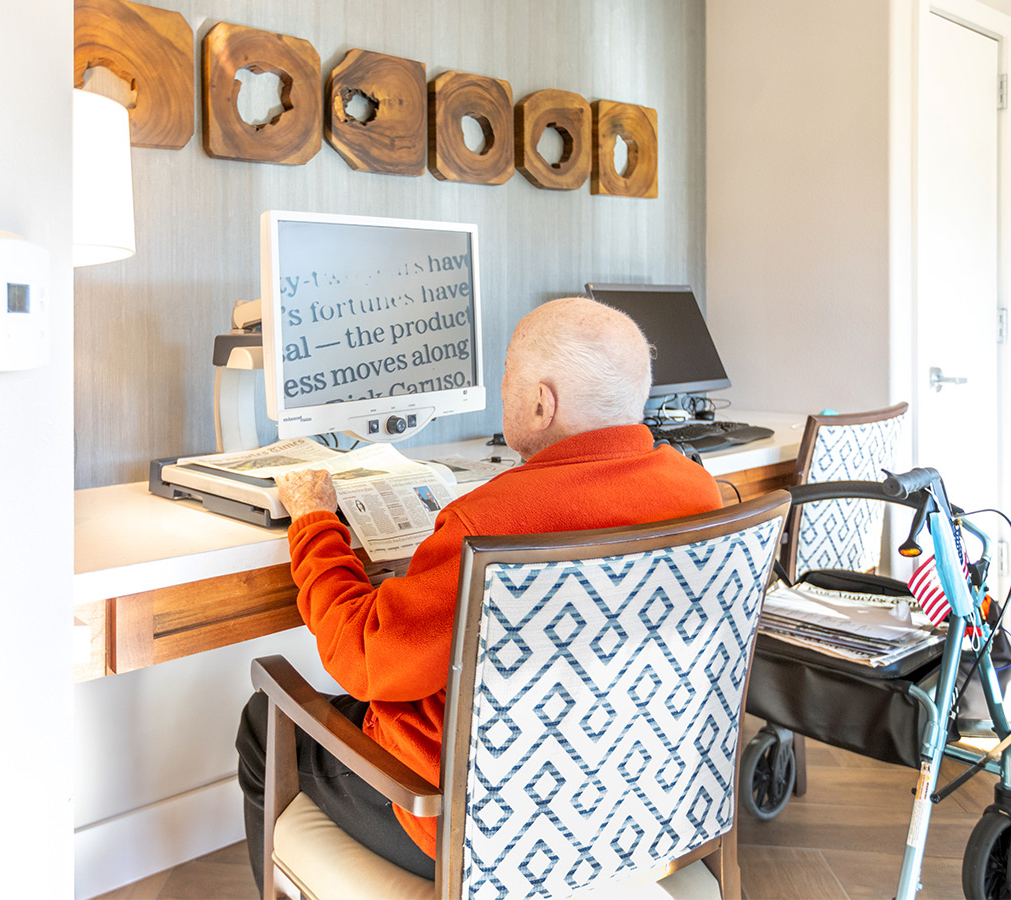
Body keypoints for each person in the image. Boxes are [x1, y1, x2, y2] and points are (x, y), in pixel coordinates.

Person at [235, 297, 724, 890]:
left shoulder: (488, 524)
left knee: (266, 718)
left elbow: (363, 662)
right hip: (632, 803)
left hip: (478, 830)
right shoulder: (697, 492)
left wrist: (313, 520)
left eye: (507, 377)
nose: (501, 390)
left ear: (542, 402)